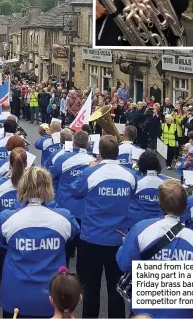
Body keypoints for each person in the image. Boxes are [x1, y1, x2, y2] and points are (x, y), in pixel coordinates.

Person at [116, 179, 193, 319]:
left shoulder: (141, 229)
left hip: (144, 312)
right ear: (185, 205)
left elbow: (123, 263)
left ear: (160, 202)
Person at [0, 166, 80, 318]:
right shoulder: (64, 218)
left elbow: (1, 240)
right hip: (53, 297)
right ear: (48, 187)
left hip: (16, 294)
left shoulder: (6, 218)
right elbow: (72, 236)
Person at [71, 135, 136, 319]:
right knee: (116, 291)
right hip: (118, 239)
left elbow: (75, 192)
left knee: (90, 289)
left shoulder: (91, 172)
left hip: (91, 238)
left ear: (99, 152)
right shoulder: (130, 175)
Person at [50, 130, 94, 265]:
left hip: (65, 210)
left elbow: (50, 176)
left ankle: (63, 281)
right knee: (83, 256)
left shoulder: (63, 159)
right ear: (87, 144)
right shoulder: (93, 161)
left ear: (73, 143)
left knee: (64, 254)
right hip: (85, 213)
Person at [0, 147, 27, 283]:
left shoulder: (0, 184)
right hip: (25, 234)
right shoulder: (32, 184)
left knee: (3, 276)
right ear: (27, 164)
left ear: (10, 164)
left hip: (3, 231)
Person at [127, 150, 170, 229]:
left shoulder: (133, 179)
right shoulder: (167, 182)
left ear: (141, 164)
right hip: (159, 225)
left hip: (136, 225)